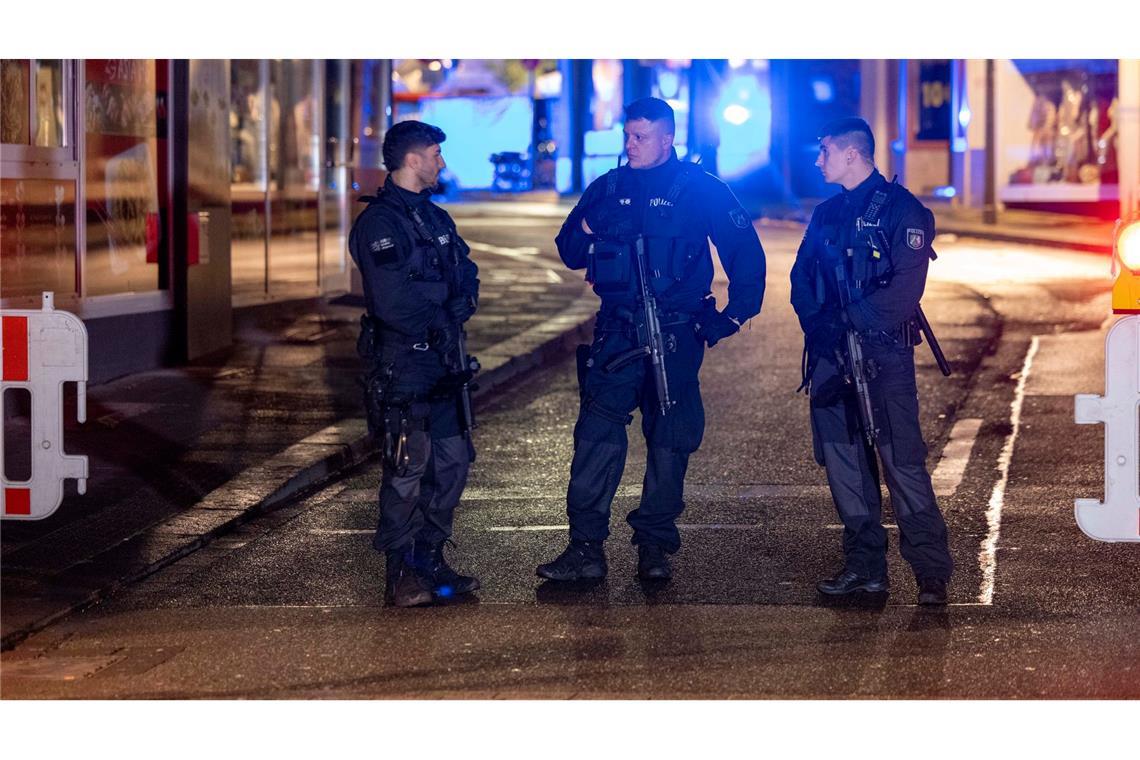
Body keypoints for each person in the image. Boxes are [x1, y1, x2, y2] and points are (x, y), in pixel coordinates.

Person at [537, 97, 766, 582]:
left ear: (667, 139)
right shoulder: (609, 187)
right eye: (628, 135)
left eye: (641, 137)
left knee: (670, 439)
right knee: (596, 436)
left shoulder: (702, 189)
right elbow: (569, 251)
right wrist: (591, 222)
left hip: (677, 332)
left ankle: (654, 545)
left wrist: (733, 316)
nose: (631, 145)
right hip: (618, 332)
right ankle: (585, 548)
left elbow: (744, 253)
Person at [789, 117, 953, 606]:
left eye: (825, 151)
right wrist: (819, 324)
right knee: (845, 466)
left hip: (884, 355)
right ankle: (865, 569)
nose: (818, 160)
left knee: (902, 463)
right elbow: (801, 277)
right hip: (831, 357)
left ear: (852, 155)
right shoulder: (826, 214)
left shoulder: (904, 212)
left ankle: (930, 574)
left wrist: (850, 318)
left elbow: (905, 290)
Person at [348, 120, 480, 607]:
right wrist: (445, 306)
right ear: (412, 159)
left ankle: (430, 558)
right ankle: (400, 572)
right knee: (407, 470)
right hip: (405, 365)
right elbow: (393, 303)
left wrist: (457, 299)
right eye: (435, 154)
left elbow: (466, 272)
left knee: (454, 464)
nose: (441, 162)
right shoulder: (380, 224)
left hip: (446, 362)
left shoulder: (435, 218)